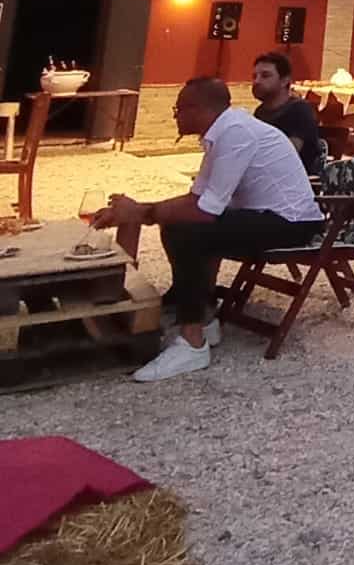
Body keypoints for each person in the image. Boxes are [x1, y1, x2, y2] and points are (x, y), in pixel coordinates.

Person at [94, 77, 323, 384]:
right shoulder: (221, 134)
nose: (175, 116)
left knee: (191, 233)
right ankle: (203, 316)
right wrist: (140, 210)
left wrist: (140, 212)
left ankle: (193, 343)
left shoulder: (236, 133)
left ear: (199, 109)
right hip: (263, 215)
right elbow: (197, 199)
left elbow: (205, 211)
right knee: (177, 223)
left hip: (291, 223)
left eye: (178, 109)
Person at [251, 50, 322, 175]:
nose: (257, 81)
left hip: (293, 182)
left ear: (284, 81)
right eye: (255, 76)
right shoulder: (260, 112)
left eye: (265, 76)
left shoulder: (299, 110)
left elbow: (287, 155)